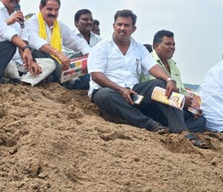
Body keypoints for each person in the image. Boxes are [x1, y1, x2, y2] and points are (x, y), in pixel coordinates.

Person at [88, 10, 208, 148]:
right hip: (110, 91)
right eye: (119, 24)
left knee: (161, 84)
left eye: (126, 25)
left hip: (133, 93)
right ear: (113, 25)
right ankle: (150, 125)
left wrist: (169, 80)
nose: (122, 28)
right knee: (105, 95)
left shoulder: (139, 48)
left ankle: (181, 130)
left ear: (133, 29)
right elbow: (96, 75)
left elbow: (153, 68)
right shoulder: (102, 47)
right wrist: (120, 90)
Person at [0, 0, 54, 85]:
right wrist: (8, 21)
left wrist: (30, 61)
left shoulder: (20, 16)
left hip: (19, 61)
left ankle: (24, 81)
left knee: (50, 64)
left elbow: (23, 44)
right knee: (10, 63)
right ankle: (19, 79)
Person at [139, 30, 206, 133]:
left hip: (175, 104)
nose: (172, 47)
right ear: (156, 46)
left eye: (174, 44)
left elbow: (181, 89)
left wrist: (192, 107)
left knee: (200, 120)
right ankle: (177, 127)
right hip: (157, 105)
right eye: (168, 44)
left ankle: (173, 128)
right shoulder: (149, 61)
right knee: (163, 90)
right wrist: (183, 101)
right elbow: (158, 91)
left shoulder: (173, 64)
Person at [26, 0, 92, 86]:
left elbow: (77, 42)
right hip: (38, 61)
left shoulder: (59, 25)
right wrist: (57, 53)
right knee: (42, 55)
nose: (53, 13)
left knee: (87, 78)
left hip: (57, 65)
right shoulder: (32, 22)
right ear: (41, 7)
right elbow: (35, 40)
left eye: (56, 10)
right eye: (49, 9)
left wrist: (89, 55)